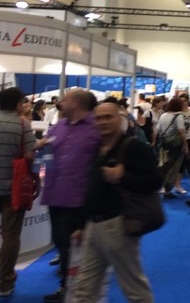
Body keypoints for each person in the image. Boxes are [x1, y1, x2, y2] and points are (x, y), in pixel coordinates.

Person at [70, 101, 161, 303]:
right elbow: (91, 189)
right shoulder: (97, 148)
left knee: (134, 290)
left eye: (108, 117)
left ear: (119, 119)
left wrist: (123, 177)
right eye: (98, 118)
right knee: (83, 289)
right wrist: (81, 224)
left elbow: (155, 181)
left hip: (119, 225)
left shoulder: (133, 147)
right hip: (93, 225)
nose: (102, 122)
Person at [38, 89, 100, 303]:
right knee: (62, 245)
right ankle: (67, 288)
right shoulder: (59, 126)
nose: (61, 101)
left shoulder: (96, 128)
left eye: (66, 98)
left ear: (76, 103)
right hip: (56, 195)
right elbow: (48, 153)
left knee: (80, 249)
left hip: (81, 199)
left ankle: (80, 291)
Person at [0, 88, 36, 297]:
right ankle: (4, 281)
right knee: (11, 236)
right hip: (12, 188)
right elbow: (30, 155)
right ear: (17, 104)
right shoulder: (22, 125)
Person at [154, 97, 187, 199]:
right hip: (175, 145)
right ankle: (167, 189)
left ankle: (160, 186)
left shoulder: (163, 115)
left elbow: (157, 130)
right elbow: (181, 132)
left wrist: (154, 142)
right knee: (173, 167)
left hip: (164, 144)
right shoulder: (179, 116)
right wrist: (185, 145)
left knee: (163, 165)